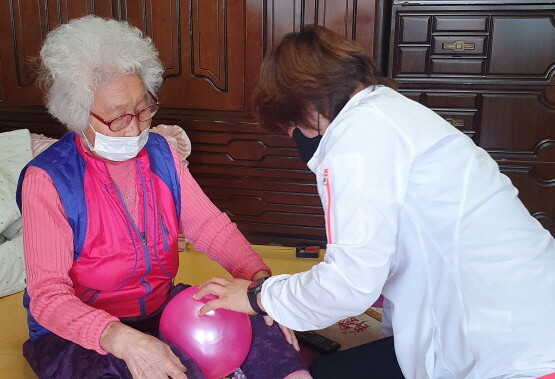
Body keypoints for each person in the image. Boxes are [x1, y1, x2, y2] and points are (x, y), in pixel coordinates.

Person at [195, 24, 555, 378]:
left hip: (510, 349)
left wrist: (259, 297)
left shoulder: (356, 139)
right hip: (524, 310)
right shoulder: (390, 112)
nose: (298, 138)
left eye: (294, 126)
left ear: (302, 101)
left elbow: (348, 285)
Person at [17, 15, 311, 379]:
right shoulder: (47, 180)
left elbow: (209, 227)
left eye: (143, 108)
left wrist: (260, 284)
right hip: (82, 335)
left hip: (161, 307)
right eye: (119, 118)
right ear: (78, 116)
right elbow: (48, 296)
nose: (138, 125)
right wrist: (123, 340)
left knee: (266, 335)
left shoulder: (161, 153)